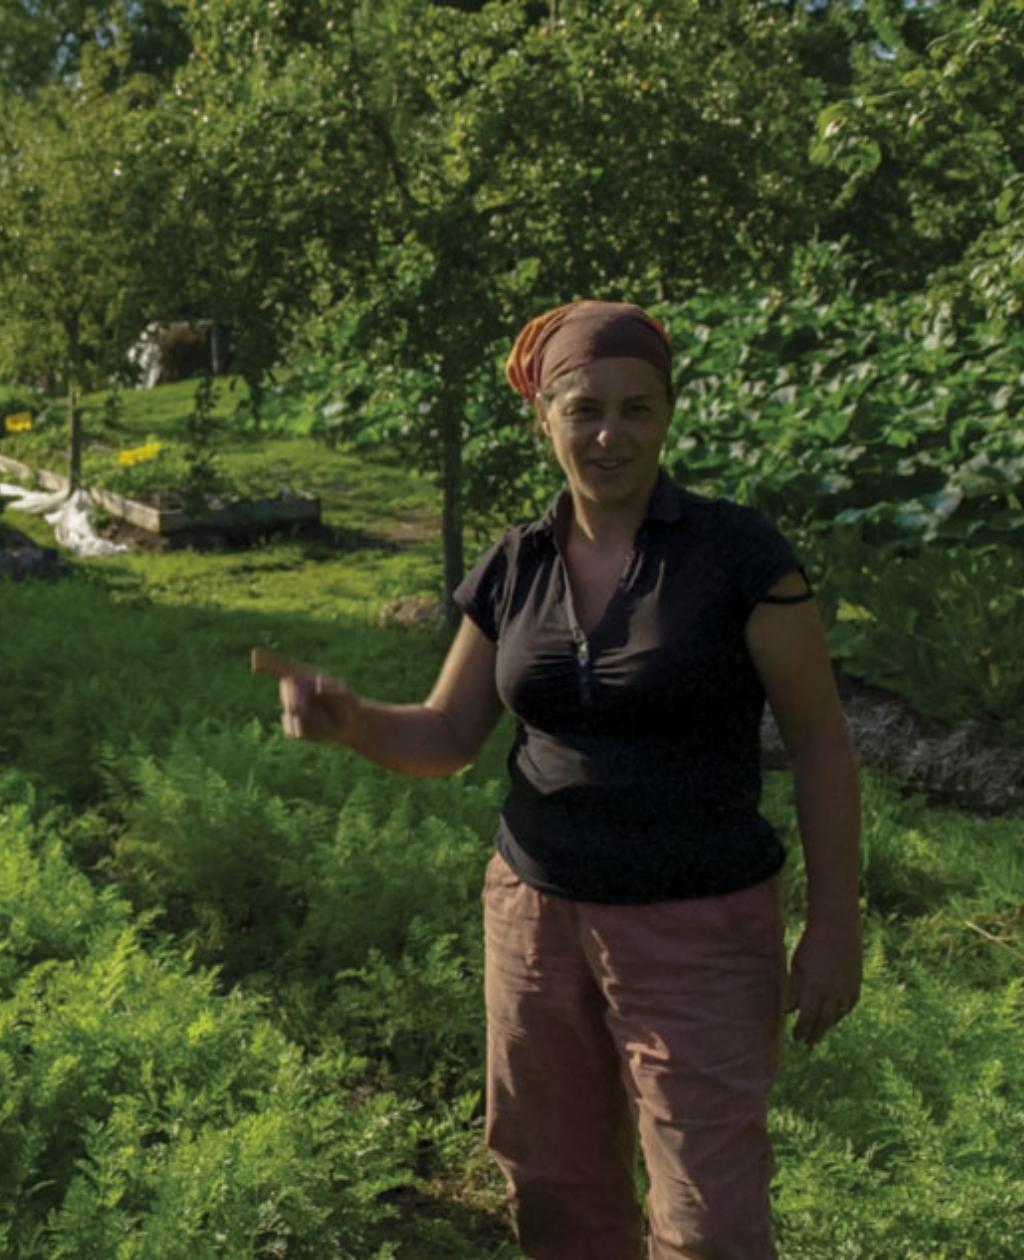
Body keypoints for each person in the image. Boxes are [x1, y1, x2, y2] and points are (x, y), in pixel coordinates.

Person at [264, 301, 861, 1258]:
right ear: (543, 415)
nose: (610, 435)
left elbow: (821, 741)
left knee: (710, 1217)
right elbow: (450, 731)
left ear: (669, 416)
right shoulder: (517, 563)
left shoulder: (737, 555)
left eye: (637, 410)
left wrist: (834, 926)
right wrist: (354, 723)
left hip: (699, 925)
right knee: (554, 1188)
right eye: (584, 409)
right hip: (536, 921)